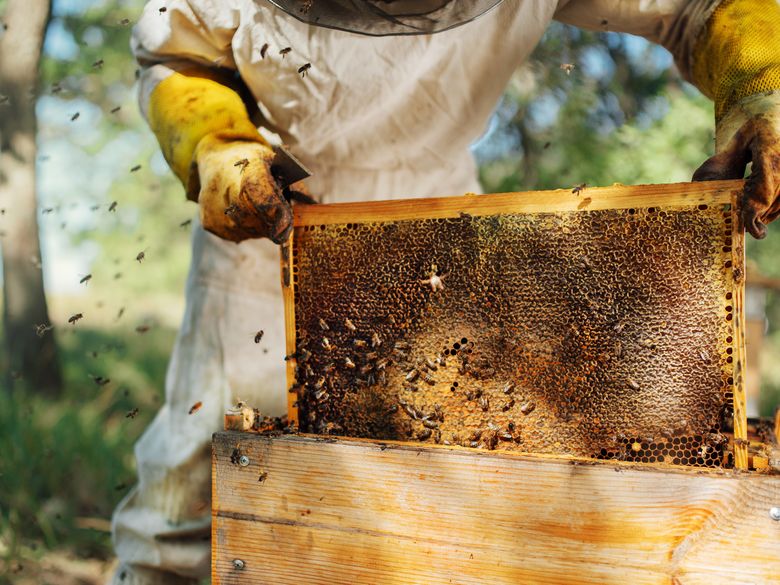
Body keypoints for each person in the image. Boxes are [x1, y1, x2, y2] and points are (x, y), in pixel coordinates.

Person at [110, 1, 780, 583]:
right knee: (197, 464)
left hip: (439, 217)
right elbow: (180, 55)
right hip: (274, 206)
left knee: (441, 471)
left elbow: (702, 5)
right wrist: (214, 140)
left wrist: (762, 83)